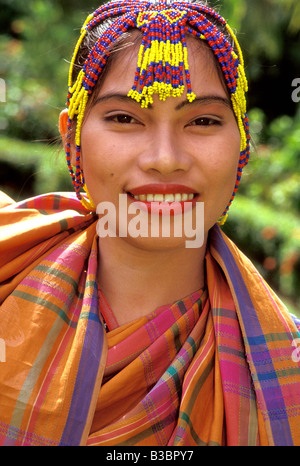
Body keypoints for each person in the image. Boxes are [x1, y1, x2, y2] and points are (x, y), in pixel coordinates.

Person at [0, 0, 299, 447]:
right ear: (73, 138)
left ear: (243, 146)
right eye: (124, 118)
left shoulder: (286, 368)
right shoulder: (9, 263)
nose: (164, 159)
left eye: (202, 120)